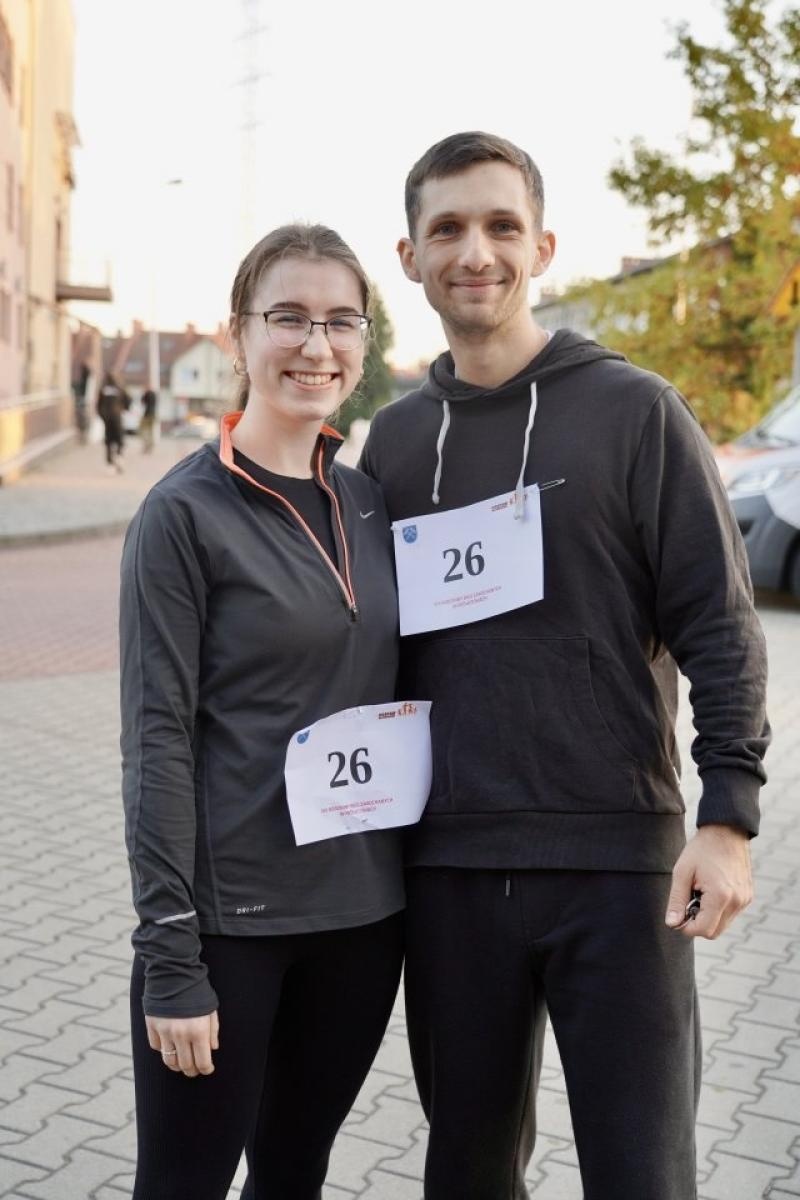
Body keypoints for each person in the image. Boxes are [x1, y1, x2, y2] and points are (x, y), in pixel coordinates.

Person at [358, 132, 770, 1200]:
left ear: (541, 244)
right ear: (408, 256)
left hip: (616, 867)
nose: (473, 250)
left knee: (642, 1176)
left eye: (499, 224)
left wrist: (724, 820)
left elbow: (718, 624)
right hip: (447, 874)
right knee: (468, 1174)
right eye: (445, 228)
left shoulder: (635, 412)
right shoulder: (393, 444)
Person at [120, 224, 408, 1200]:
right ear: (237, 334)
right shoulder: (184, 515)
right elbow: (155, 739)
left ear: (363, 344)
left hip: (363, 923)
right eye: (287, 317)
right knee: (184, 1184)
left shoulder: (370, 502)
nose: (314, 344)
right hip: (226, 929)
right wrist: (169, 957)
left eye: (339, 321)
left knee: (294, 1175)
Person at [97, 371, 130, 473]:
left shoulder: (103, 390)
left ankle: (110, 463)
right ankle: (119, 457)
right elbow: (128, 400)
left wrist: (102, 416)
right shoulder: (120, 388)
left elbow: (98, 405)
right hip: (117, 417)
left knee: (109, 441)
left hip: (107, 419)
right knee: (119, 439)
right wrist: (124, 409)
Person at [138, 387, 157, 452]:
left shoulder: (147, 394)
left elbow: (142, 402)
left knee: (143, 430)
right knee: (150, 431)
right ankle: (150, 445)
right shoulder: (154, 395)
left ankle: (147, 445)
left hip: (147, 415)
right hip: (153, 415)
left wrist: (144, 393)